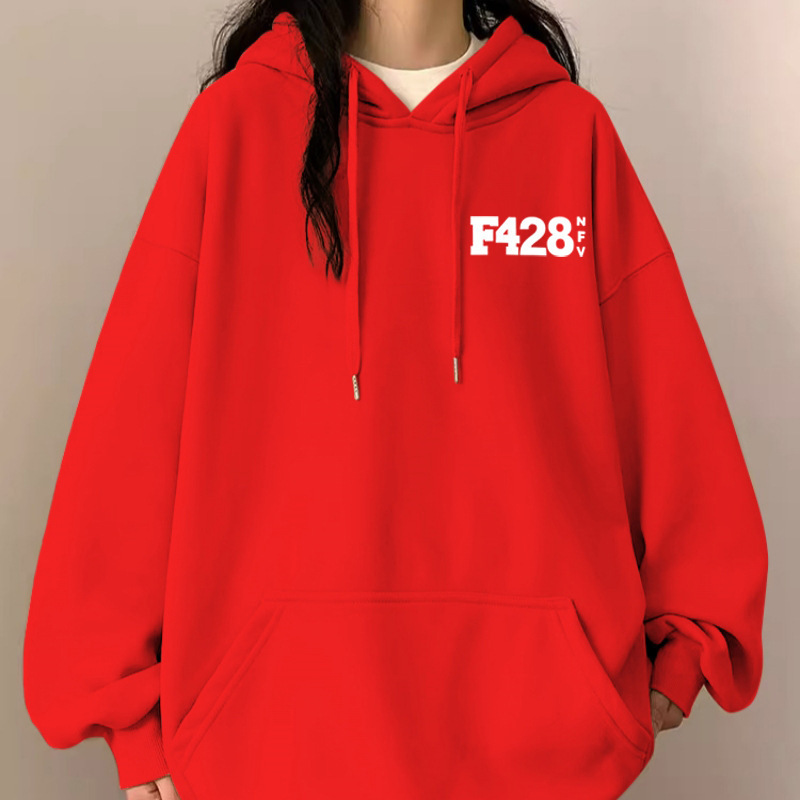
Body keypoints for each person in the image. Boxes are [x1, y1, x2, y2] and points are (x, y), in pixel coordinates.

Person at [22, 1, 769, 799]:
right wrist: (131, 719)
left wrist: (688, 647)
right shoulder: (234, 128)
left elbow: (669, 401)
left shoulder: (567, 134)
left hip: (539, 754)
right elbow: (131, 428)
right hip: (272, 753)